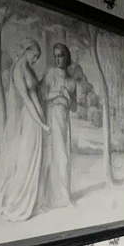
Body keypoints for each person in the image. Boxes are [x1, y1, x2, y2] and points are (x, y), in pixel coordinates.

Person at [0, 42, 49, 221]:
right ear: (27, 51)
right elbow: (27, 99)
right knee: (26, 159)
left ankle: (33, 202)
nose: (35, 59)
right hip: (30, 120)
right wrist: (41, 123)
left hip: (37, 119)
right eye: (34, 55)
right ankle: (17, 202)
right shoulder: (18, 71)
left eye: (37, 57)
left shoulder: (29, 69)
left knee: (37, 159)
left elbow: (36, 91)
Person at [39, 42, 78, 209]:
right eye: (55, 56)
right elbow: (43, 95)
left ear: (66, 56)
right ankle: (56, 197)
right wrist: (59, 93)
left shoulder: (71, 80)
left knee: (65, 156)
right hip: (53, 116)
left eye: (60, 55)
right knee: (57, 156)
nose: (58, 59)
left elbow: (74, 107)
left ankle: (63, 196)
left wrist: (69, 96)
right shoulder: (51, 73)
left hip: (65, 119)